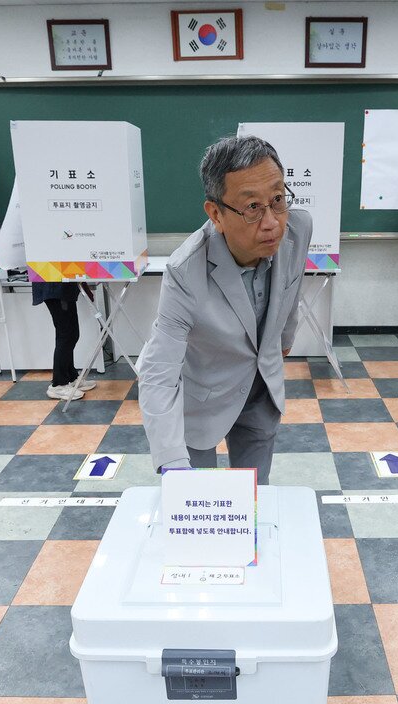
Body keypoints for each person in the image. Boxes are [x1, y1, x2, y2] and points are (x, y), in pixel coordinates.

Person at [137, 136, 313, 484]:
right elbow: (159, 369)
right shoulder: (185, 270)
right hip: (203, 395)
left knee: (253, 498)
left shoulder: (298, 228)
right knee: (200, 502)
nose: (271, 222)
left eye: (277, 199)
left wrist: (285, 337)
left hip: (261, 390)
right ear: (216, 213)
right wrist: (172, 461)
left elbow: (292, 288)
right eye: (252, 208)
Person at [0, 176, 94, 401]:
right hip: (52, 282)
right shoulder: (43, 219)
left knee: (72, 332)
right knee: (66, 333)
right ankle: (58, 384)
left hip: (63, 282)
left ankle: (70, 377)